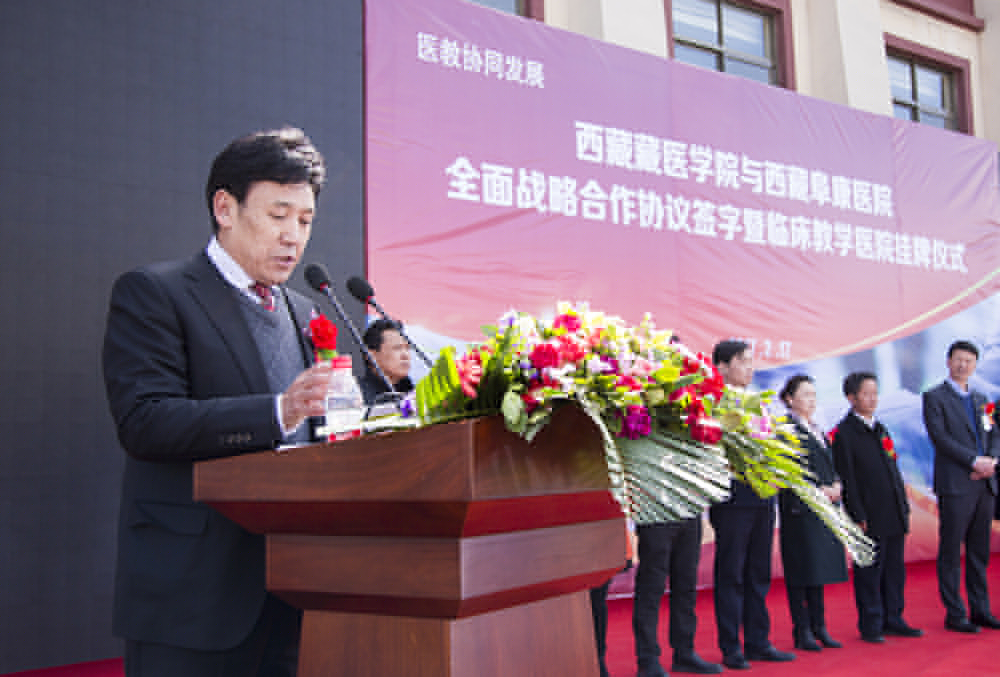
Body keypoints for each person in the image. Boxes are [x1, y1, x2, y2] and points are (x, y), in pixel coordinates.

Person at [102, 127, 331, 677]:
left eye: (305, 221)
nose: (293, 238)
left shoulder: (305, 311)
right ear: (225, 208)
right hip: (193, 594)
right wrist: (277, 412)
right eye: (278, 216)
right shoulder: (156, 293)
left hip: (294, 591)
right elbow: (145, 421)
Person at [708, 340, 794, 670]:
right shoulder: (713, 402)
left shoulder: (758, 402)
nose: (749, 367)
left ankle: (758, 641)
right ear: (722, 366)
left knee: (758, 572)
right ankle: (731, 647)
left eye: (750, 361)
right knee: (731, 573)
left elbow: (767, 443)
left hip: (762, 496)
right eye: (742, 361)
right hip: (732, 499)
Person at [831, 372, 922, 643]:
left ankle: (893, 617)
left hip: (892, 508)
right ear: (851, 398)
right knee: (870, 570)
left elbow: (892, 468)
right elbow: (847, 477)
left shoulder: (880, 427)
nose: (872, 399)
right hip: (868, 514)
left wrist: (902, 505)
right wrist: (857, 513)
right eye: (866, 394)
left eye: (875, 393)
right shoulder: (844, 433)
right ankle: (871, 623)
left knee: (894, 568)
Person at [922, 340, 1000, 633]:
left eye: (969, 360)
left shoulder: (982, 399)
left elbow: (994, 433)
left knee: (979, 552)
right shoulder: (934, 397)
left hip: (984, 484)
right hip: (956, 484)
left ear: (975, 365)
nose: (963, 365)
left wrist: (991, 461)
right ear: (948, 361)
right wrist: (973, 462)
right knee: (952, 551)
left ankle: (981, 610)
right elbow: (940, 438)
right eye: (958, 359)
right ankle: (955, 614)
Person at [776, 374, 847, 651]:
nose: (811, 400)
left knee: (818, 569)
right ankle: (802, 630)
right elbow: (790, 471)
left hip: (824, 507)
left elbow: (829, 464)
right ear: (789, 399)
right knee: (800, 570)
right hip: (801, 509)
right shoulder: (785, 430)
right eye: (805, 394)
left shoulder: (817, 428)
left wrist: (837, 484)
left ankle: (820, 626)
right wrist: (819, 490)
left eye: (813, 394)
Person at [632, 516, 722, 676]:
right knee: (651, 590)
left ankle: (684, 653)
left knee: (686, 587)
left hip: (689, 514)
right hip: (655, 515)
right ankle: (648, 659)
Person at [359, 317, 414, 405]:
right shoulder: (357, 398)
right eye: (397, 348)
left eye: (407, 348)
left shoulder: (413, 393)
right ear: (371, 355)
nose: (405, 355)